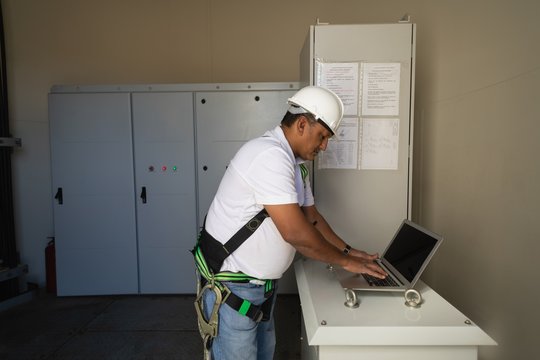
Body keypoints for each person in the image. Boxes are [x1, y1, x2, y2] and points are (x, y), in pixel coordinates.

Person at [193, 86, 387, 360]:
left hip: (258, 291)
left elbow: (313, 219)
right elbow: (296, 233)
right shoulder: (269, 156)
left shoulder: (294, 165)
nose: (324, 146)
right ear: (302, 124)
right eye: (322, 137)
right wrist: (346, 264)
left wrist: (349, 251)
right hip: (233, 292)